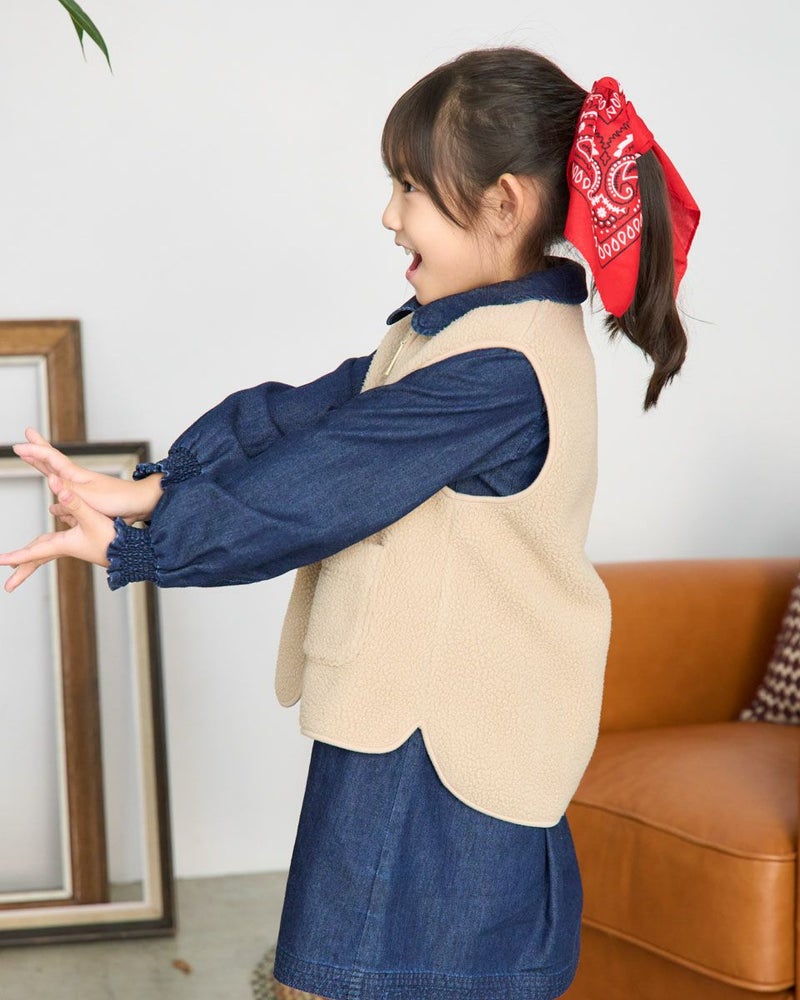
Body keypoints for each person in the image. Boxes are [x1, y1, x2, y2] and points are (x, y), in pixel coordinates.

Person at [1, 46, 699, 1000]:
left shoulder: (499, 373)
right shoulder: (445, 335)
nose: (389, 214)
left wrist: (144, 544)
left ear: (503, 204)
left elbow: (320, 485)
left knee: (379, 979)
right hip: (405, 729)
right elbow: (307, 419)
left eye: (411, 188)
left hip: (440, 755)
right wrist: (149, 490)